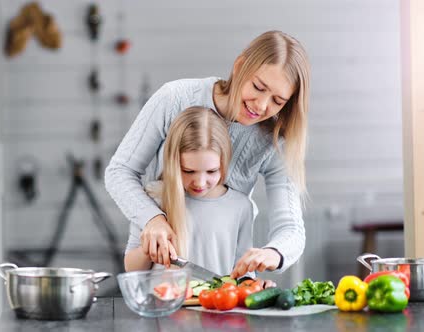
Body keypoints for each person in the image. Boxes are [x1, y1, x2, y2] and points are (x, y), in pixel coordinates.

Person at [105, 30, 310, 280]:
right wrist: (153, 219)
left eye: (277, 101)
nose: (261, 105)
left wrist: (273, 253)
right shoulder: (174, 99)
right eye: (258, 87)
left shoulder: (274, 140)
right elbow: (120, 172)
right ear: (240, 66)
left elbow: (291, 230)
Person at [124, 107, 256, 280]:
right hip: (163, 304)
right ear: (173, 163)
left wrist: (255, 287)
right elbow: (131, 269)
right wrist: (148, 249)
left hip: (217, 305)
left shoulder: (241, 206)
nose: (200, 183)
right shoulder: (153, 197)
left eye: (211, 171)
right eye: (188, 171)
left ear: (224, 162)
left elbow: (245, 273)